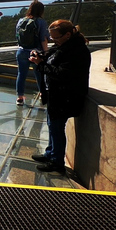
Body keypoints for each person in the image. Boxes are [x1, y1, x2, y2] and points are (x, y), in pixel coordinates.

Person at [28, 20, 91, 173]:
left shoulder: (77, 51)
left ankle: (56, 161)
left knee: (56, 128)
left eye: (55, 38)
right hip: (55, 94)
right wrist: (40, 56)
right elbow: (52, 55)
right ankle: (50, 153)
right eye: (51, 38)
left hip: (65, 96)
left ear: (67, 35)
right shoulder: (63, 45)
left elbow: (63, 73)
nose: (53, 41)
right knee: (52, 125)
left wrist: (41, 64)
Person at [14, 0, 49, 106]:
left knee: (21, 74)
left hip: (21, 51)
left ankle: (20, 97)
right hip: (36, 52)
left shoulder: (21, 20)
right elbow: (43, 38)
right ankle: (42, 93)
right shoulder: (41, 22)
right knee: (39, 74)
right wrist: (46, 52)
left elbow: (17, 35)